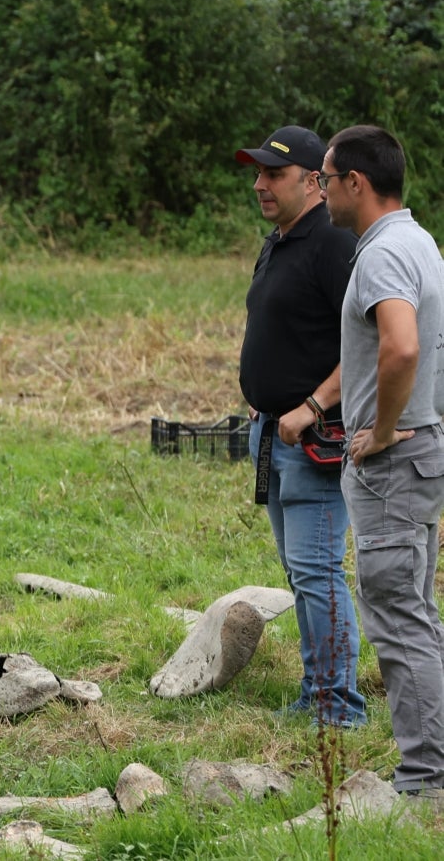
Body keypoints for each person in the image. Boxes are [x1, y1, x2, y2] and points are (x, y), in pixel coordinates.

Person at [325, 124, 444, 800]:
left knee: (398, 621)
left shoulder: (382, 254)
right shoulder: (419, 241)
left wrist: (385, 429)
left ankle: (427, 780)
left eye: (326, 178)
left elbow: (402, 347)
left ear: (356, 183)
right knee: (417, 613)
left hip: (395, 464)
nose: (322, 190)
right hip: (421, 453)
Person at [235, 125, 367, 728]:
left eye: (274, 174)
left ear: (314, 181)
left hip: (315, 438)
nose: (260, 184)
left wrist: (311, 406)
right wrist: (264, 399)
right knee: (301, 571)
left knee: (317, 571)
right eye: (258, 173)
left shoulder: (333, 245)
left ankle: (338, 707)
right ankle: (317, 691)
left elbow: (366, 343)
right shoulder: (279, 240)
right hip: (273, 432)